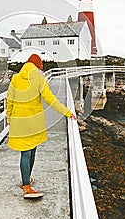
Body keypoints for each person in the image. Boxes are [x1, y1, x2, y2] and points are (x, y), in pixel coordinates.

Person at [6, 54, 76, 199]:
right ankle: (26, 187)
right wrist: (67, 112)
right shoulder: (39, 79)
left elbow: (9, 100)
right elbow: (50, 99)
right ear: (38, 67)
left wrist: (9, 118)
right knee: (29, 152)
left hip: (18, 121)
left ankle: (27, 179)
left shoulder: (16, 78)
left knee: (27, 152)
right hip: (33, 122)